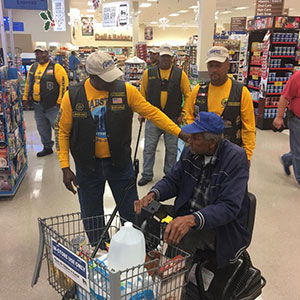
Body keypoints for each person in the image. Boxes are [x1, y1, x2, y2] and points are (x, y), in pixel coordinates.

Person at [55, 51, 190, 245]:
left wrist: (179, 132)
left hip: (120, 164)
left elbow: (152, 112)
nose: (111, 82)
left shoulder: (126, 91)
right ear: (91, 76)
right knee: (91, 213)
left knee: (130, 209)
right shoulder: (73, 96)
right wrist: (65, 167)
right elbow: (62, 131)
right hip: (87, 167)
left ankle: (132, 245)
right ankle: (100, 248)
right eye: (105, 79)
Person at [135, 111, 250, 268]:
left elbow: (228, 207)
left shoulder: (235, 159)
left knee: (183, 235)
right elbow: (173, 180)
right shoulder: (191, 152)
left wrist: (192, 219)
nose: (189, 140)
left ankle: (171, 285)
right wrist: (154, 194)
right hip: (186, 213)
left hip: (219, 229)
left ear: (212, 142)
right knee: (147, 214)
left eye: (195, 138)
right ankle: (142, 268)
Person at [184, 46, 255, 164]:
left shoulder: (241, 92)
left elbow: (248, 127)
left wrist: (247, 155)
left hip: (230, 154)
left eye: (218, 65)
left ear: (227, 65)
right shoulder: (198, 90)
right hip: (202, 152)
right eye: (210, 66)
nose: (214, 70)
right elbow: (188, 114)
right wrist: (196, 137)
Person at [138, 44, 191, 186]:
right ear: (158, 57)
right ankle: (147, 174)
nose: (165, 59)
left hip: (173, 118)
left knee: (172, 149)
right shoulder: (148, 73)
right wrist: (141, 113)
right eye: (163, 56)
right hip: (153, 119)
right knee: (149, 148)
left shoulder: (181, 74)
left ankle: (169, 175)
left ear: (172, 58)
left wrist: (183, 113)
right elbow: (141, 95)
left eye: (168, 56)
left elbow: (188, 95)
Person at [23, 45, 69, 157]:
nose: (40, 55)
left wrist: (60, 101)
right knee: (42, 128)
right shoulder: (33, 68)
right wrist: (25, 98)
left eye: (42, 53)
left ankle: (63, 148)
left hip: (53, 105)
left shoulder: (56, 68)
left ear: (47, 53)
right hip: (38, 105)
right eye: (37, 53)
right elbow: (28, 83)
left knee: (58, 128)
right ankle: (47, 147)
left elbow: (64, 84)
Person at [273, 71, 300, 188]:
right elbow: (284, 97)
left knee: (296, 150)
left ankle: (287, 159)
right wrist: (279, 117)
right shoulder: (297, 77)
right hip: (296, 119)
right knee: (298, 151)